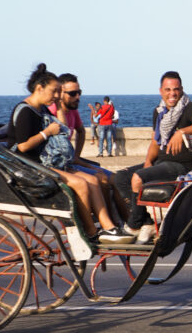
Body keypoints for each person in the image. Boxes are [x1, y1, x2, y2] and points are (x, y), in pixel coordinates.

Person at [7, 64, 123, 240]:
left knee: (92, 180)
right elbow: (22, 146)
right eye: (54, 91)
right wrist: (46, 133)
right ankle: (89, 231)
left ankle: (109, 227)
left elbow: (62, 129)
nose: (56, 96)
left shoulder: (41, 109)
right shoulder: (25, 111)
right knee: (81, 184)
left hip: (47, 161)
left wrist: (58, 108)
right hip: (31, 166)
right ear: (40, 88)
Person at [113, 71, 192, 244]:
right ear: (161, 91)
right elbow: (155, 141)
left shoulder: (189, 108)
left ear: (181, 90)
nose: (172, 94)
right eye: (168, 90)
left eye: (175, 89)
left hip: (180, 164)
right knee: (120, 178)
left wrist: (182, 132)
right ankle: (146, 222)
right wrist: (147, 162)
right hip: (161, 162)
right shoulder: (159, 112)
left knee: (137, 179)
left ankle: (134, 225)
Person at [51, 73, 127, 222]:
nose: (77, 97)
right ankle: (110, 221)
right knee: (102, 179)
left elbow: (81, 130)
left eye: (79, 92)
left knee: (117, 179)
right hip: (59, 164)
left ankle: (129, 223)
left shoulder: (73, 110)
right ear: (59, 94)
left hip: (71, 160)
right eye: (72, 93)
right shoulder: (53, 112)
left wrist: (77, 156)